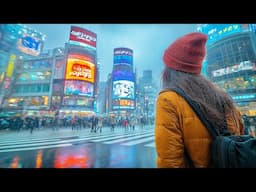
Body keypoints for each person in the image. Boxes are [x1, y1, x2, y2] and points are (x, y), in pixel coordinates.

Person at [154, 32, 245, 168]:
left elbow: (170, 162)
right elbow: (240, 136)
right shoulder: (222, 97)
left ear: (170, 69)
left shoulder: (168, 99)